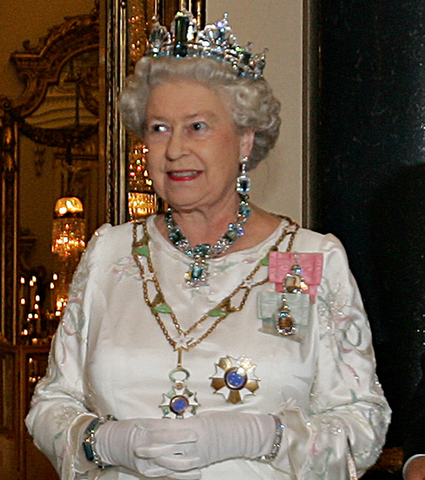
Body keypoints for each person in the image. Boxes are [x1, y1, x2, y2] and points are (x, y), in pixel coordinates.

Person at [26, 11, 391, 480]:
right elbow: (51, 407)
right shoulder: (109, 254)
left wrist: (266, 437)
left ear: (244, 139)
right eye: (159, 128)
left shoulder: (304, 260)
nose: (175, 149)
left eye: (197, 126)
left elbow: (364, 422)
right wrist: (104, 442)